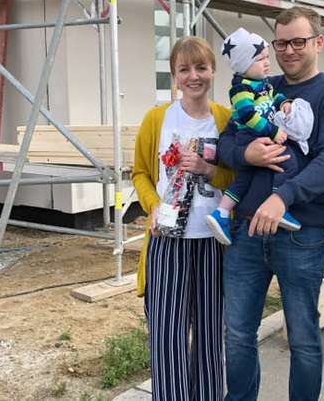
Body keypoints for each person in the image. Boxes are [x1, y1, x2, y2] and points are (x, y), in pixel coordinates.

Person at [218, 6, 324, 401]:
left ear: (318, 42)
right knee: (237, 333)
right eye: (280, 43)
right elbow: (225, 143)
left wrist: (284, 196)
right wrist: (247, 156)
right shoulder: (260, 85)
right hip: (245, 232)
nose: (288, 50)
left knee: (303, 338)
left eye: (298, 41)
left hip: (300, 235)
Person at [132, 36, 234, 401]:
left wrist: (209, 170)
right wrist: (152, 205)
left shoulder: (226, 120)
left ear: (213, 71)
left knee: (210, 334)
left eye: (201, 67)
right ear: (174, 76)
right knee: (167, 335)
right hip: (166, 241)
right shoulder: (157, 119)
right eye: (184, 69)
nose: (194, 76)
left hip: (212, 243)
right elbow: (140, 173)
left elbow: (238, 179)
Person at [206, 27, 315, 245]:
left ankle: (221, 212)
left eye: (267, 57)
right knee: (288, 162)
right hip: (251, 136)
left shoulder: (262, 84)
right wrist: (273, 131)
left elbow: (274, 97)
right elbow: (247, 115)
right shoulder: (241, 89)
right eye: (260, 59)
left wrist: (284, 103)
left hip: (257, 135)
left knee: (244, 178)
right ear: (243, 65)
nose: (267, 63)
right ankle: (278, 204)